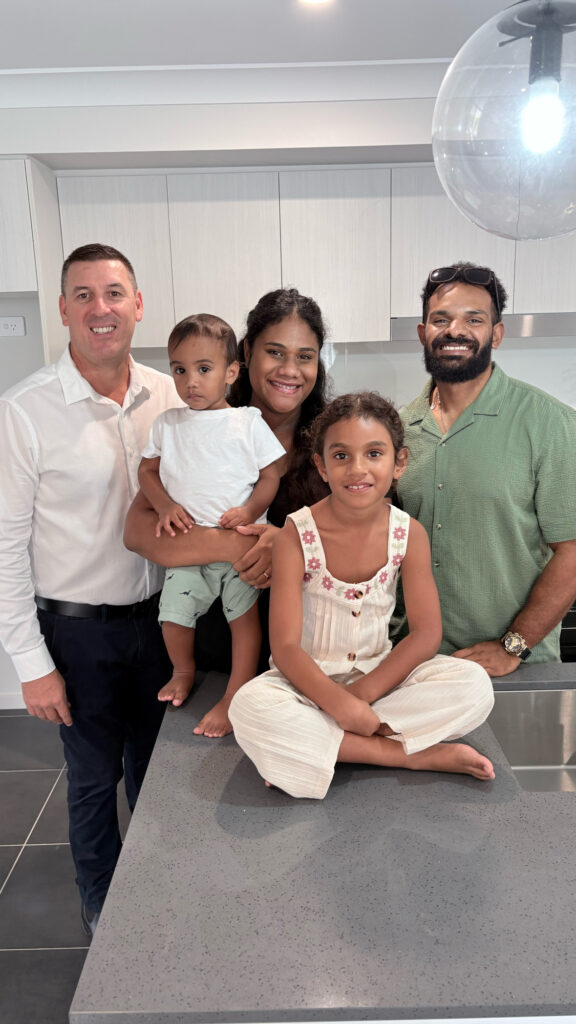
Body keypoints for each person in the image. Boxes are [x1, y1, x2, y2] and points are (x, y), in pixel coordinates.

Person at [0, 243, 180, 937]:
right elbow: (6, 549)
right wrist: (32, 665)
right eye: (84, 295)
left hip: (164, 625)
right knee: (92, 780)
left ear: (137, 305)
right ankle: (103, 907)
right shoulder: (24, 412)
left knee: (159, 776)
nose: (99, 309)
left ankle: (160, 891)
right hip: (76, 634)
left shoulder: (168, 395)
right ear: (65, 310)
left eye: (113, 293)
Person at [228, 392, 495, 799]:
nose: (358, 469)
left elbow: (426, 635)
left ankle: (317, 748)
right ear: (321, 465)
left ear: (399, 462)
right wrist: (336, 702)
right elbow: (284, 647)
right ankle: (408, 755)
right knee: (248, 708)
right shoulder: (295, 535)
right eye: (340, 456)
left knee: (474, 685)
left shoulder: (410, 534)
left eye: (374, 453)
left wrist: (358, 699)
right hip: (303, 686)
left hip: (380, 682)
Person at [123, 288, 331, 733]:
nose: (290, 370)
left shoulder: (335, 440)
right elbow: (138, 533)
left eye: (305, 356)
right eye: (274, 352)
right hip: (210, 658)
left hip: (308, 661)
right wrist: (240, 545)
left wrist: (288, 545)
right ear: (245, 356)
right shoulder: (189, 429)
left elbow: (370, 536)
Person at [394, 262, 576, 676]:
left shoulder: (550, 424)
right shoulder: (399, 432)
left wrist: (514, 646)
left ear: (496, 333)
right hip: (415, 668)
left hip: (516, 668)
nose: (455, 331)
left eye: (473, 319)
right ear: (423, 334)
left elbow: (572, 552)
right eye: (441, 319)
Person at [138, 313, 285, 736]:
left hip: (241, 543)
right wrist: (164, 506)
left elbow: (271, 474)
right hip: (187, 545)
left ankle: (235, 691)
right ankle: (183, 671)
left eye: (204, 369)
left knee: (244, 622)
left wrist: (250, 509)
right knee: (173, 617)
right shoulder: (168, 424)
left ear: (231, 372)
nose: (190, 382)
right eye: (179, 369)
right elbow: (147, 473)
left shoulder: (247, 422)